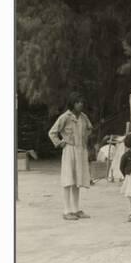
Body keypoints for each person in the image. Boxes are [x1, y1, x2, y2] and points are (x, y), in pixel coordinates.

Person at [48, 92, 93, 221]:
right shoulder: (65, 117)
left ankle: (76, 209)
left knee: (77, 180)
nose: (81, 104)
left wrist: (84, 138)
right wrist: (60, 142)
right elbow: (52, 132)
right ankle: (66, 210)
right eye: (78, 102)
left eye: (82, 102)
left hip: (81, 150)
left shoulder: (84, 117)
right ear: (72, 103)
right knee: (68, 179)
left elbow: (90, 128)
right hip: (69, 150)